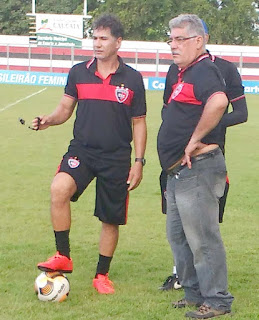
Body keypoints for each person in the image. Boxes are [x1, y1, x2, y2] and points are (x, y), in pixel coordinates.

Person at [32, 14, 147, 295]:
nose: (97, 43)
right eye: (94, 38)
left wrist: (139, 162)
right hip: (82, 150)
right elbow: (64, 108)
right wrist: (49, 119)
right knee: (59, 188)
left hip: (117, 157)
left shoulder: (132, 78)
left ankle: (101, 275)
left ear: (118, 42)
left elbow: (139, 122)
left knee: (110, 218)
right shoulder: (78, 72)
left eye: (103, 38)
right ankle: (63, 255)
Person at [158, 19, 248, 292]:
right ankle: (193, 293)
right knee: (178, 237)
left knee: (203, 239)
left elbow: (222, 103)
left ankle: (217, 299)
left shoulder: (208, 70)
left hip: (198, 166)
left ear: (199, 41)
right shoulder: (180, 72)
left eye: (179, 39)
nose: (173, 45)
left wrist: (196, 137)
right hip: (176, 169)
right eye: (170, 39)